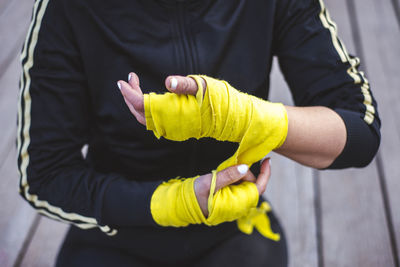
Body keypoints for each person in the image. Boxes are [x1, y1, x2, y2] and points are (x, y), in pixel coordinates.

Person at [17, 0, 380, 266]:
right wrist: (175, 203)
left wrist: (242, 117)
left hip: (233, 224)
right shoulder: (67, 9)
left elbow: (358, 133)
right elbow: (46, 175)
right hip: (115, 228)